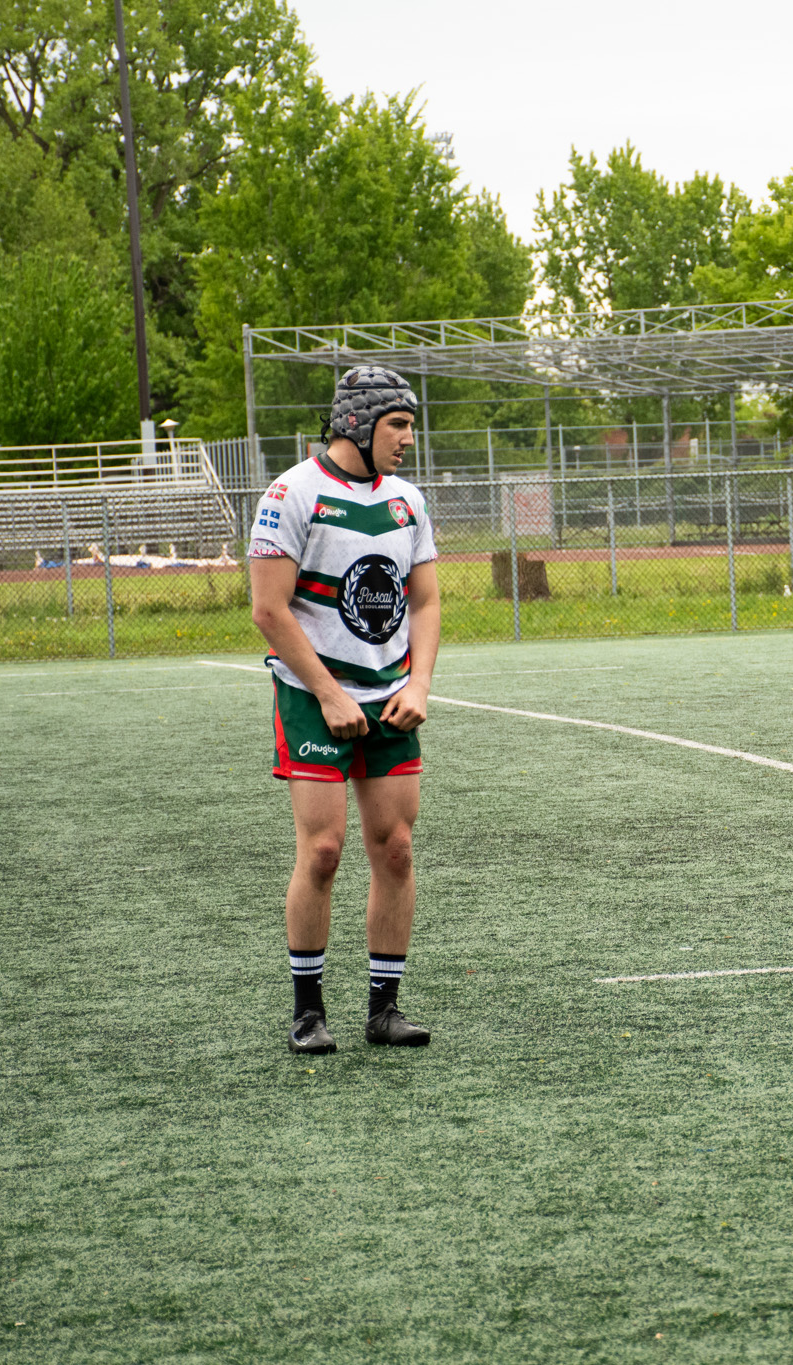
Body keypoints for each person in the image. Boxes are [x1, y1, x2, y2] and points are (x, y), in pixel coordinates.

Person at [248, 366, 441, 1055]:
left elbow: (426, 602)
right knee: (323, 852)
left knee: (397, 848)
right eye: (398, 424)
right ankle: (308, 1012)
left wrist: (418, 686)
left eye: (410, 425)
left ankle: (384, 1010)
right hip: (311, 699)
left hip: (390, 699)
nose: (408, 438)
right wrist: (329, 693)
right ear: (356, 424)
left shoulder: (408, 500)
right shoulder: (291, 494)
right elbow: (268, 609)